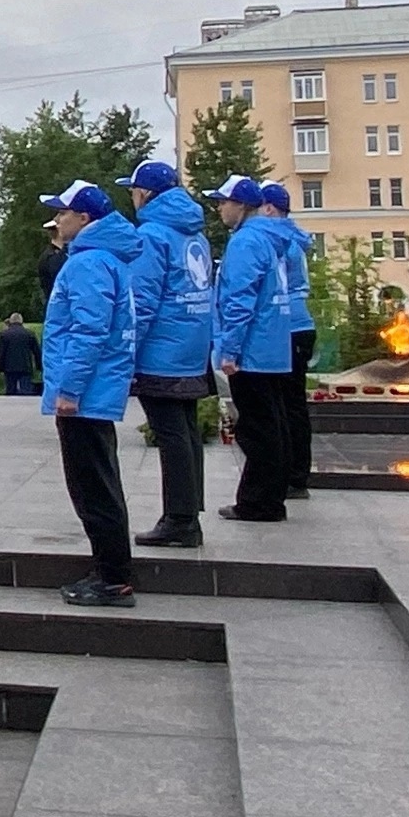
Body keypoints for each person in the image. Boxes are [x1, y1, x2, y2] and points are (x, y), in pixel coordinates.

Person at [42, 182, 143, 603]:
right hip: (96, 391)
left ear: (84, 218)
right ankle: (108, 569)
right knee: (98, 482)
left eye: (63, 213)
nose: (58, 220)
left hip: (86, 395)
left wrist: (70, 388)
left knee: (93, 487)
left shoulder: (87, 263)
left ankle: (113, 577)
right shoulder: (106, 260)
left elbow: (89, 330)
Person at [121, 161, 214, 550]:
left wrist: (127, 353)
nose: (131, 197)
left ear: (145, 194)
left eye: (133, 190)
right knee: (186, 432)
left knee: (171, 434)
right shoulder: (195, 234)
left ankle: (179, 520)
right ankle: (189, 512)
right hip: (192, 346)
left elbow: (140, 302)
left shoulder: (152, 235)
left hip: (161, 349)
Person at [210, 176, 293, 523]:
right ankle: (271, 497)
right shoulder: (270, 239)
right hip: (272, 345)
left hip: (252, 349)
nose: (219, 209)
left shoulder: (245, 242)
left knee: (257, 430)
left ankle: (259, 502)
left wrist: (229, 349)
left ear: (241, 205)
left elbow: (239, 299)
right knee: (274, 425)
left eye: (223, 202)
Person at [259, 182, 318, 507]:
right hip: (300, 323)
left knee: (285, 406)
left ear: (269, 209)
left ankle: (293, 476)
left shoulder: (277, 241)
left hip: (288, 326)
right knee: (293, 404)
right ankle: (296, 474)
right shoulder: (292, 236)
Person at [0, 312, 40, 396]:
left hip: (9, 367)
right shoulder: (29, 334)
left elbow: (0, 352)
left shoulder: (4, 335)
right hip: (25, 366)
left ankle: (10, 408)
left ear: (11, 321)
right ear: (21, 321)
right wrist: (39, 366)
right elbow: (37, 352)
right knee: (26, 391)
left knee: (10, 390)